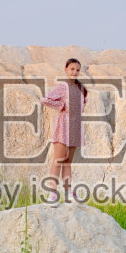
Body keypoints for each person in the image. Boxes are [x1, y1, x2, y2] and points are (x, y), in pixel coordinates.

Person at [41, 57, 88, 202]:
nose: (75, 72)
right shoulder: (63, 86)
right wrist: (62, 106)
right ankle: (52, 193)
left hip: (75, 127)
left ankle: (68, 193)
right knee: (58, 160)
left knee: (68, 161)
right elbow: (45, 99)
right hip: (63, 125)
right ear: (66, 69)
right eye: (72, 69)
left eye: (78, 70)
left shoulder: (81, 89)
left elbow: (81, 107)